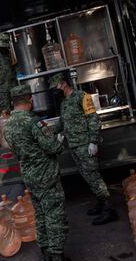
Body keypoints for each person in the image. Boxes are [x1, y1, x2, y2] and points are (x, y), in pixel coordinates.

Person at [4, 84, 68, 261]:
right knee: (54, 215)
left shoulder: (8, 125)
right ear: (30, 100)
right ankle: (57, 255)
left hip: (30, 177)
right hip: (46, 176)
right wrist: (59, 138)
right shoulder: (33, 121)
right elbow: (52, 147)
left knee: (39, 215)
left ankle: (46, 252)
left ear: (13, 102)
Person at [49, 73, 117, 225]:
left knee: (94, 177)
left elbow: (93, 118)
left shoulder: (81, 96)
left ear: (64, 83)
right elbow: (62, 123)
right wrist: (49, 131)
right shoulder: (64, 103)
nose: (55, 90)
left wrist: (93, 141)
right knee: (87, 176)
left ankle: (109, 209)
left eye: (56, 86)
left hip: (85, 145)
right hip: (74, 146)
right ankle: (101, 203)